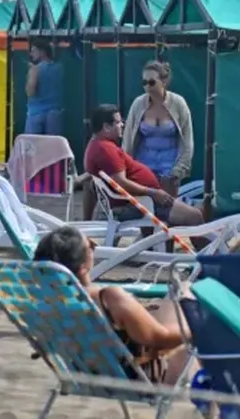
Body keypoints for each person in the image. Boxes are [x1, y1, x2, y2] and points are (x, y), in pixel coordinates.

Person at [34, 226, 195, 385]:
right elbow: (161, 338)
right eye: (90, 246)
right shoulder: (109, 299)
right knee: (186, 294)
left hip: (86, 376)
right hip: (140, 378)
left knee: (169, 302)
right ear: (83, 268)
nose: (94, 247)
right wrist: (196, 328)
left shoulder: (48, 304)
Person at [84, 104, 204, 228]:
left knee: (181, 215)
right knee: (195, 216)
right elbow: (121, 183)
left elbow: (89, 182)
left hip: (141, 200)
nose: (122, 125)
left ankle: (161, 247)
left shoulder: (97, 146)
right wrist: (153, 193)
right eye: (118, 122)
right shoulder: (106, 150)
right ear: (106, 127)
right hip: (141, 203)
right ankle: (202, 248)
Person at [122, 61, 194, 198]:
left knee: (168, 208)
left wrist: (178, 171)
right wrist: (128, 167)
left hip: (170, 164)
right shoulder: (138, 103)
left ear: (164, 81)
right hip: (143, 163)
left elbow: (187, 139)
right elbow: (128, 138)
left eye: (151, 82)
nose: (147, 87)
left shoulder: (178, 103)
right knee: (145, 205)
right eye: (144, 83)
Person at [23, 39, 64, 136]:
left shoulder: (35, 69)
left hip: (36, 113)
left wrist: (32, 73)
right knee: (52, 147)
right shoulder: (60, 68)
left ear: (42, 52)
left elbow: (30, 92)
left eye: (34, 51)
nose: (31, 54)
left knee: (33, 147)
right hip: (55, 112)